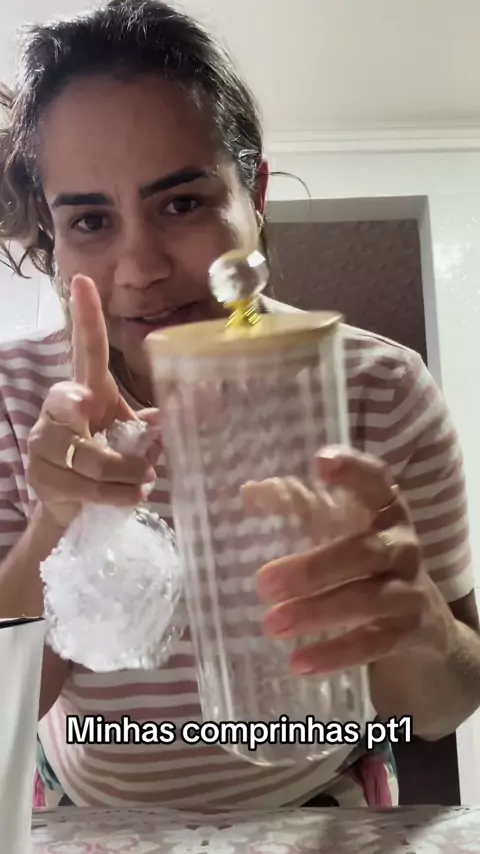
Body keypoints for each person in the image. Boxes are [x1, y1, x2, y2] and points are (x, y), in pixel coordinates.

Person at [0, 0, 479, 812]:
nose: (141, 268)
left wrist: (419, 623)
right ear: (54, 234)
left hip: (320, 808)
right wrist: (62, 522)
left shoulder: (380, 389)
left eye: (182, 203)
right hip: (92, 819)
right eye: (91, 219)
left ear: (251, 193)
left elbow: (445, 708)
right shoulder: (14, 401)